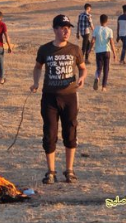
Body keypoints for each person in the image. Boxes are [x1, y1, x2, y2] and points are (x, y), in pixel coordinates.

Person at [30, 14, 87, 184]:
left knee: (70, 132)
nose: (66, 31)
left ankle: (69, 170)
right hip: (49, 98)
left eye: (68, 28)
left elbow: (83, 68)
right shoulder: (45, 49)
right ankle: (51, 172)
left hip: (69, 97)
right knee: (50, 134)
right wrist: (35, 83)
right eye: (62, 28)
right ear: (54, 29)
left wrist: (82, 77)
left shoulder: (75, 50)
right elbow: (37, 67)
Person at [91, 14, 117, 91]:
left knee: (99, 68)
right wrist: (114, 53)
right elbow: (112, 43)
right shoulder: (109, 30)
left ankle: (97, 77)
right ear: (107, 21)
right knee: (106, 69)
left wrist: (89, 49)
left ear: (100, 20)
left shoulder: (96, 29)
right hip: (107, 51)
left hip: (98, 52)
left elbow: (92, 41)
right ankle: (104, 87)